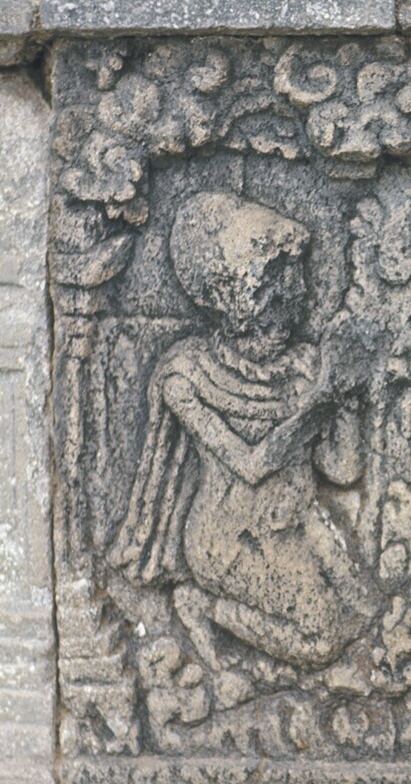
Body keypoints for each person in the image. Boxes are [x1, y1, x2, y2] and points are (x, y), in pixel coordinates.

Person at [109, 192, 378, 705]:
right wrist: (321, 403)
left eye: (295, 275)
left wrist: (346, 400)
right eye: (273, 279)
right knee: (324, 637)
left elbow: (342, 470)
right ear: (225, 294)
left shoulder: (303, 365)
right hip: (231, 539)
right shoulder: (188, 376)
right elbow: (251, 466)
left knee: (367, 610)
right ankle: (203, 608)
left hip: (299, 519)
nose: (294, 293)